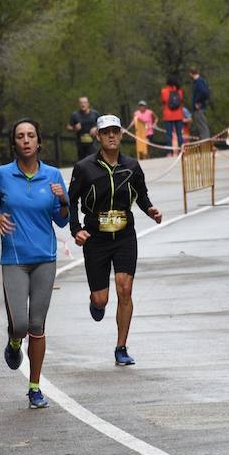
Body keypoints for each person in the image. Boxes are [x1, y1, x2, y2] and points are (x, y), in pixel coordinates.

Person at [0, 118, 69, 409]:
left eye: (31, 135)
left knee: (37, 325)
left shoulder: (53, 175)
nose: (27, 140)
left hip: (45, 258)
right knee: (19, 325)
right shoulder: (2, 175)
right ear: (14, 143)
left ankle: (34, 387)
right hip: (15, 260)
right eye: (21, 136)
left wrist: (64, 200)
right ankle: (14, 341)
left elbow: (62, 219)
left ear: (39, 142)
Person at [68, 115, 162, 365]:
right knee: (102, 299)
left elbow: (141, 196)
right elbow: (72, 201)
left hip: (124, 235)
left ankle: (121, 347)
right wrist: (76, 229)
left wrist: (151, 209)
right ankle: (95, 303)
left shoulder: (131, 166)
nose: (111, 136)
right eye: (105, 132)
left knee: (125, 288)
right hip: (96, 237)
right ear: (98, 136)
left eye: (115, 132)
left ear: (121, 135)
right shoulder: (84, 167)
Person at [66, 96, 100, 162]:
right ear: (79, 104)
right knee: (82, 163)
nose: (83, 104)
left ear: (88, 104)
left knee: (93, 161)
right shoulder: (75, 115)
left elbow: (102, 124)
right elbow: (68, 127)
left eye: (84, 102)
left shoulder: (95, 114)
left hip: (93, 143)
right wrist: (74, 128)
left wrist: (96, 128)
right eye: (81, 103)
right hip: (80, 144)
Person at [161, 77, 185, 155]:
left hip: (168, 115)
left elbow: (163, 101)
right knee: (179, 134)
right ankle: (181, 150)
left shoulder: (164, 91)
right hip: (178, 115)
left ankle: (169, 152)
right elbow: (181, 100)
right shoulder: (180, 91)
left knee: (169, 134)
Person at [188, 68, 211, 142]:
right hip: (199, 108)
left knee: (202, 126)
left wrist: (198, 102)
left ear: (191, 74)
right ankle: (204, 142)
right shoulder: (200, 81)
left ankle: (205, 143)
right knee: (201, 126)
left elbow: (204, 93)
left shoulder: (199, 81)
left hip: (199, 108)